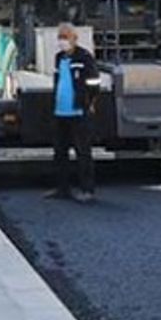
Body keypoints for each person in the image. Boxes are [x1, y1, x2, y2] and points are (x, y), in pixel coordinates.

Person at [49, 23, 99, 202]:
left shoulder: (84, 57)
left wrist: (88, 102)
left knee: (83, 152)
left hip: (78, 112)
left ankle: (87, 189)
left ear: (74, 39)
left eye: (65, 37)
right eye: (60, 37)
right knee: (60, 152)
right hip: (60, 112)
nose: (62, 41)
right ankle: (62, 188)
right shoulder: (59, 58)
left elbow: (94, 83)